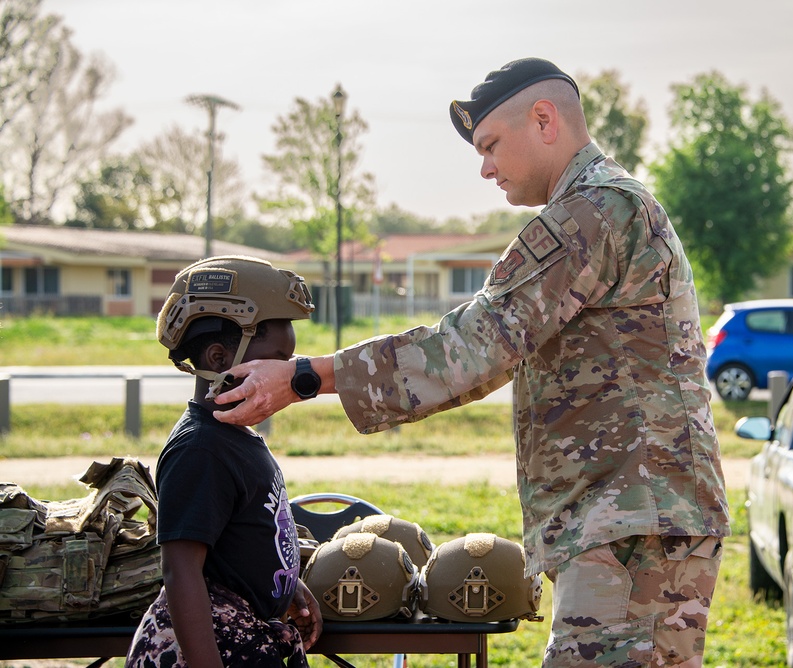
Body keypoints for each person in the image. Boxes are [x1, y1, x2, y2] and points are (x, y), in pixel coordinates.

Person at [214, 58, 730, 667]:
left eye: (490, 145)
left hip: (631, 523)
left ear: (544, 120)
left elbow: (473, 346)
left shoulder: (593, 213)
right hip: (633, 518)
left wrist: (307, 376)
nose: (485, 168)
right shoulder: (611, 207)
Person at [126, 256, 322, 668]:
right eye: (274, 358)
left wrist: (288, 586)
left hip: (243, 636)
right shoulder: (200, 449)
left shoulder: (235, 434)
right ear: (218, 359)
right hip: (206, 650)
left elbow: (240, 542)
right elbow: (181, 572)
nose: (284, 372)